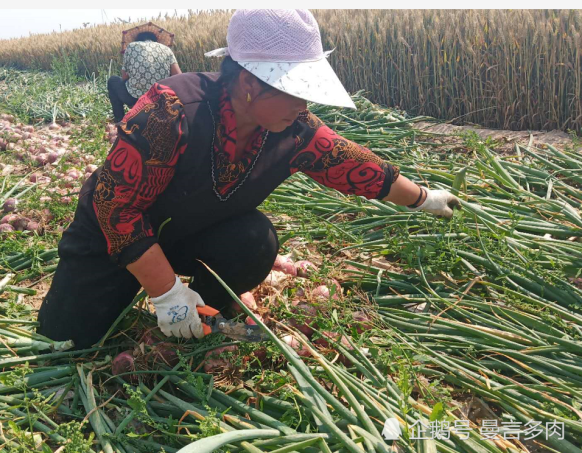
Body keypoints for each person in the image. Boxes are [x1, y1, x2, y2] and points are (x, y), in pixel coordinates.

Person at [38, 10, 460, 349]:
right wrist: (166, 294)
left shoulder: (294, 129)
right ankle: (168, 306)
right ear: (248, 84)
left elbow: (353, 165)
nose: (305, 104)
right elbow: (117, 209)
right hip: (114, 240)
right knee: (66, 343)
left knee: (254, 238)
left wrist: (423, 198)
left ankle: (204, 316)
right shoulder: (169, 111)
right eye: (296, 90)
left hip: (186, 235)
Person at [107, 31, 182, 122]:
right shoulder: (166, 49)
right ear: (155, 40)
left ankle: (120, 121)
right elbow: (179, 77)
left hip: (135, 100)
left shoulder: (131, 46)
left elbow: (124, 77)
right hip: (161, 100)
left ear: (138, 39)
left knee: (113, 80)